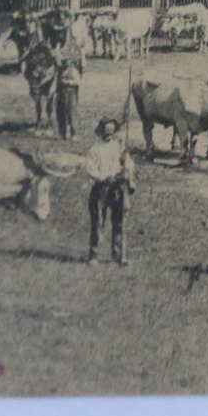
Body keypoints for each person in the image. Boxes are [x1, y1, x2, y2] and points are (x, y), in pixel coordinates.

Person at [84, 117, 136, 266]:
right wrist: (102, 177)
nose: (109, 134)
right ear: (100, 132)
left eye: (112, 131)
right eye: (106, 131)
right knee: (98, 222)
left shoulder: (119, 146)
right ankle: (93, 255)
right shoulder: (94, 149)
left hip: (118, 187)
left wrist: (127, 171)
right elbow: (89, 168)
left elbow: (129, 163)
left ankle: (119, 256)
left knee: (119, 222)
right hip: (101, 188)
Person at [54, 47, 85, 139]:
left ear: (71, 63)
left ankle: (74, 133)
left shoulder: (74, 71)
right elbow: (57, 82)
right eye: (65, 62)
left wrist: (68, 82)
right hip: (62, 92)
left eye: (68, 62)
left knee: (71, 112)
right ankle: (63, 133)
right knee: (61, 111)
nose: (67, 63)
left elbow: (78, 82)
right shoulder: (61, 71)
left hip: (71, 92)